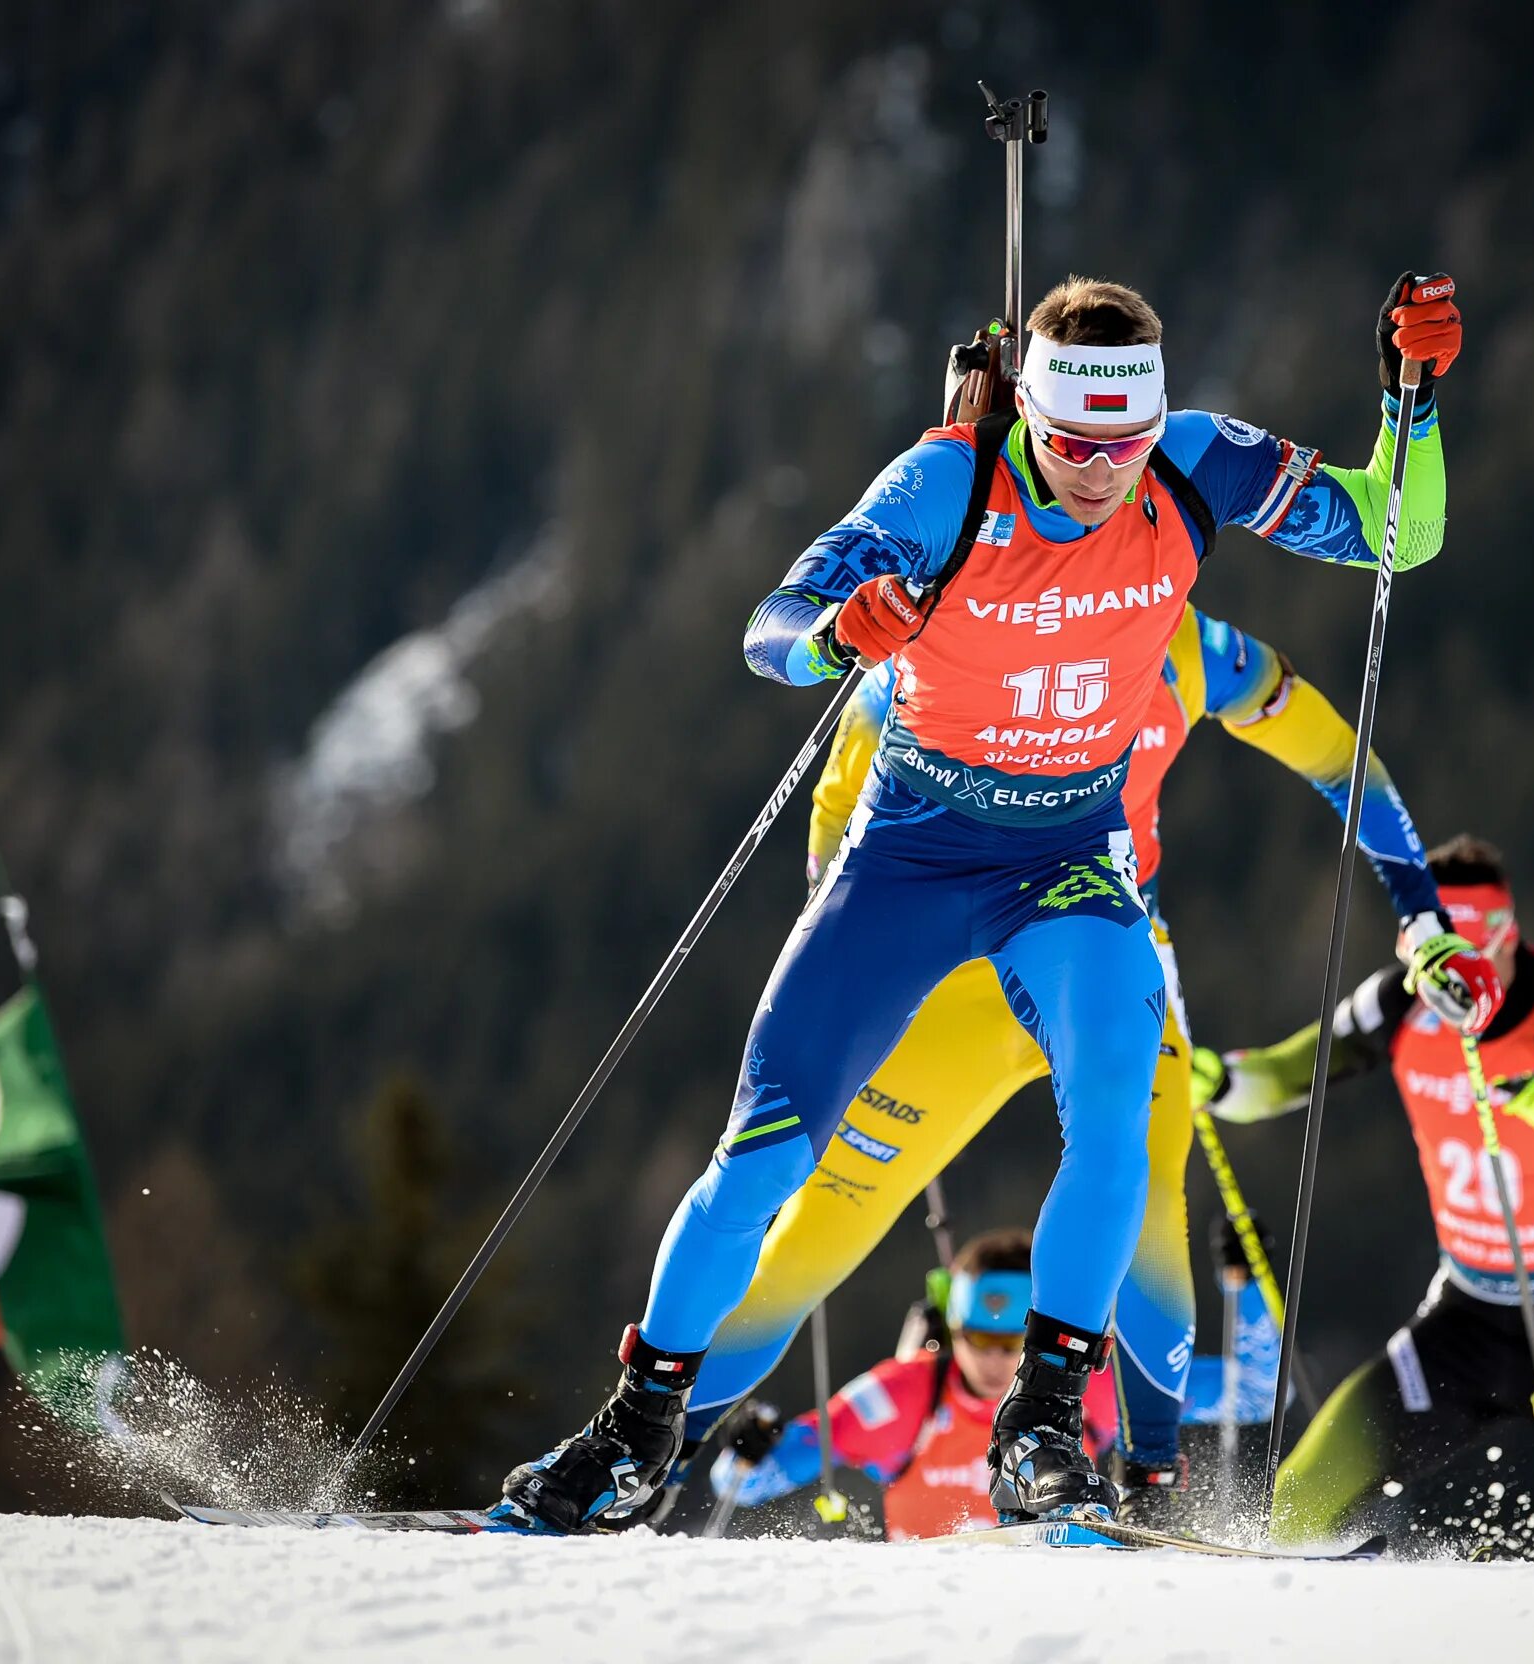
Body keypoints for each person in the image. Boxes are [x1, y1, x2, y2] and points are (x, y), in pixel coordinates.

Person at [496, 270, 1480, 1534]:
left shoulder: (1194, 466)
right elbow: (769, 625)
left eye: (1125, 443)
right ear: (1029, 413)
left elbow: (1398, 534)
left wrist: (1411, 401)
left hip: (1067, 858)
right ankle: (633, 1430)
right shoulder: (945, 484)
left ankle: (1045, 1425)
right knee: (762, 1160)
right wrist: (838, 631)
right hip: (909, 859)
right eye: (1072, 444)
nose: (1101, 472)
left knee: (1118, 1119)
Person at [667, 596, 1448, 1528]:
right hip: (957, 982)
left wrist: (1421, 908)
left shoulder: (1190, 645)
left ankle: (1150, 1488)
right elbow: (844, 781)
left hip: (1106, 966)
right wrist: (847, 950)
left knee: (1149, 1198)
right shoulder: (965, 610)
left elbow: (1339, 761)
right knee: (810, 1237)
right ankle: (651, 1456)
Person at [1192, 835, 1534, 1554]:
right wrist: (1220, 1080)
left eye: (1475, 954)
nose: (1459, 985)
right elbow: (1285, 1074)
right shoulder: (1397, 1003)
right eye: (1440, 961)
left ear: (1507, 935)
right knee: (1301, 1502)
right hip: (1467, 1316)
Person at [707, 1230, 1119, 1541]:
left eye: (1014, 1344)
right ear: (953, 1328)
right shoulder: (903, 1395)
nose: (994, 1360)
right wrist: (748, 1448)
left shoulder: (1086, 1386)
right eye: (978, 1339)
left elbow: (1159, 1416)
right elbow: (741, 1483)